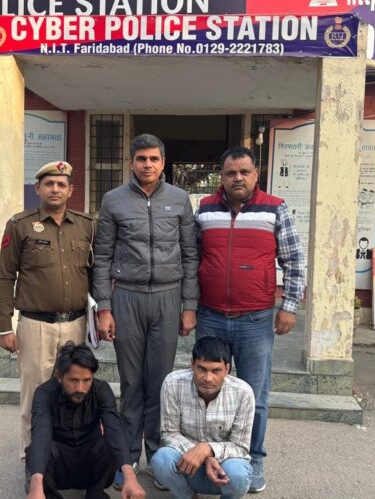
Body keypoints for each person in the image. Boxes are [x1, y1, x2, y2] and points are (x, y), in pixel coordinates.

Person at [195, 146, 306, 493]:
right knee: (207, 390)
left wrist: (289, 306)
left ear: (256, 174)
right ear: (222, 177)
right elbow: (192, 257)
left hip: (255, 319)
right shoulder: (205, 209)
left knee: (254, 395)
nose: (237, 178)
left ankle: (253, 457)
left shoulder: (274, 208)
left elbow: (294, 260)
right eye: (231, 173)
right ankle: (209, 456)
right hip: (211, 315)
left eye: (244, 172)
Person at [92, 133, 199, 485]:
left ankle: (156, 457)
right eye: (141, 159)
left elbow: (190, 255)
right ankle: (127, 459)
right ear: (131, 163)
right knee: (131, 382)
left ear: (163, 162)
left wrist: (189, 306)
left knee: (160, 382)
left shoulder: (179, 199)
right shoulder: (114, 200)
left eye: (154, 158)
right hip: (127, 297)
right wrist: (104, 308)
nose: (148, 165)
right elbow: (102, 257)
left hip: (168, 297)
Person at [0, 160, 95, 457]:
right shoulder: (20, 225)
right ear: (37, 188)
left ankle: (66, 457)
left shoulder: (87, 226)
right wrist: (4, 325)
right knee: (36, 398)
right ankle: (34, 461)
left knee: (74, 395)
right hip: (36, 326)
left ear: (71, 190)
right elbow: (5, 276)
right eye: (49, 184)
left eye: (61, 184)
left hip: (76, 324)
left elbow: (95, 275)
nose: (55, 189)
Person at [26, 342, 146, 499]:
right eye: (73, 380)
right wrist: (35, 484)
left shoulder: (101, 390)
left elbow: (114, 428)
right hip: (58, 464)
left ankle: (96, 492)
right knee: (35, 448)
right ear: (60, 376)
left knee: (110, 443)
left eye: (87, 380)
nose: (80, 388)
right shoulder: (44, 393)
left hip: (90, 462)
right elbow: (41, 433)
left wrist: (130, 477)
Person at [150, 336, 255, 499]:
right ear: (192, 364)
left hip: (223, 469)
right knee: (161, 460)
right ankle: (187, 496)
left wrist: (208, 450)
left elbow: (240, 446)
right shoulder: (173, 383)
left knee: (239, 474)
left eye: (216, 370)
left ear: (227, 369)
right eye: (201, 369)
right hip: (187, 466)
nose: (208, 378)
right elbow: (169, 434)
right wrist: (203, 456)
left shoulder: (243, 393)